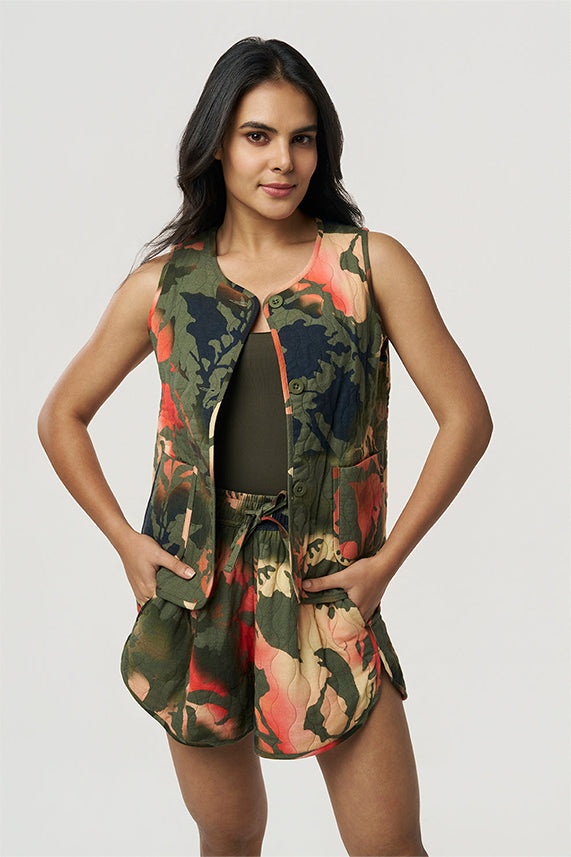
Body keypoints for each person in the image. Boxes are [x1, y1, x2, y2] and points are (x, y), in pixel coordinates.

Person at [37, 35, 492, 857]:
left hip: (327, 586)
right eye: (258, 135)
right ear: (217, 143)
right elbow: (61, 414)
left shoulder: (368, 267)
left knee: (388, 845)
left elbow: (466, 416)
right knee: (230, 833)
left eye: (302, 138)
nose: (283, 160)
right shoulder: (165, 285)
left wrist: (384, 564)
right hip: (198, 596)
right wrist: (126, 542)